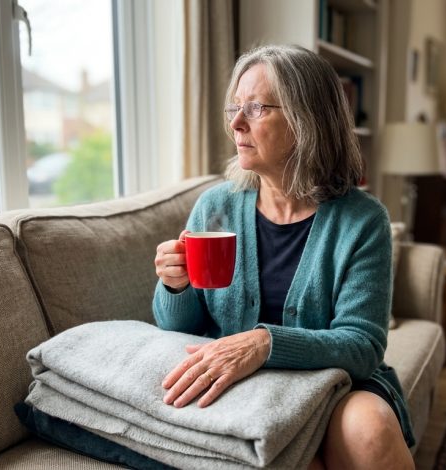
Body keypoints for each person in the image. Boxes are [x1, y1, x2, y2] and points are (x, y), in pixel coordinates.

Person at [153, 45, 415, 470]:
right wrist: (175, 285)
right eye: (234, 108)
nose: (236, 124)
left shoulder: (362, 221)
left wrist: (265, 342)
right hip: (246, 387)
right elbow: (178, 327)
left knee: (368, 427)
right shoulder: (215, 207)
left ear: (306, 120)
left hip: (332, 384)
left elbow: (363, 346)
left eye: (255, 109)